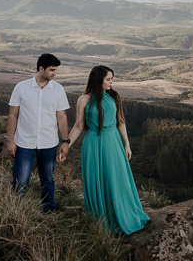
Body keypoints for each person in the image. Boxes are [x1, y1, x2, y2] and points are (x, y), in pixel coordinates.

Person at [59, 65, 149, 234]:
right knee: (97, 180)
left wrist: (126, 144)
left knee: (116, 179)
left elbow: (120, 121)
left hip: (113, 142)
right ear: (98, 79)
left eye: (111, 79)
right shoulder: (84, 99)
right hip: (93, 143)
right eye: (108, 79)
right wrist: (66, 145)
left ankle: (123, 216)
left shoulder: (113, 96)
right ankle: (100, 222)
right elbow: (78, 126)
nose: (111, 82)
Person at [7, 53, 71, 213]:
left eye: (55, 70)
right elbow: (12, 115)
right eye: (51, 70)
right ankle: (14, 214)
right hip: (24, 143)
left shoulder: (58, 89)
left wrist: (65, 141)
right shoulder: (21, 87)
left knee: (48, 180)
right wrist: (10, 141)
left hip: (49, 144)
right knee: (19, 181)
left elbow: (62, 117)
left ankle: (49, 213)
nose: (54, 74)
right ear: (41, 69)